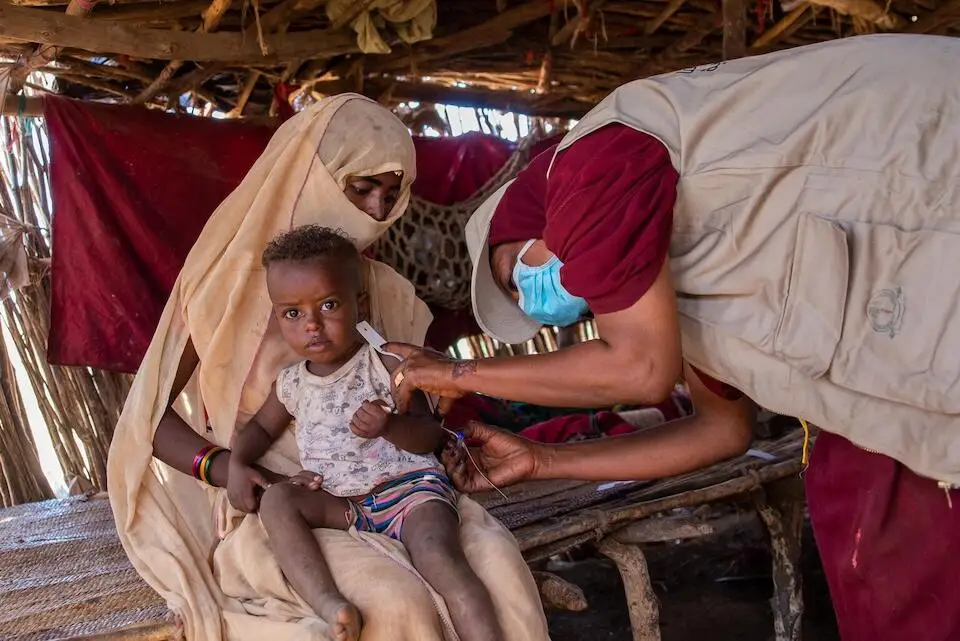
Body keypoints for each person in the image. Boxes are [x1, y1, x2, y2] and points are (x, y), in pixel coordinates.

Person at [385, 34, 960, 641]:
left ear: (524, 222)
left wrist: (451, 373)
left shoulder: (587, 163)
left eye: (513, 275)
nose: (535, 298)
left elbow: (641, 371)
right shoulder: (675, 287)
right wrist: (544, 459)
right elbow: (721, 428)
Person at [108, 94, 549, 641]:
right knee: (396, 602)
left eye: (391, 193)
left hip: (399, 481)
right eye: (360, 188)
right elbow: (147, 418)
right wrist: (230, 470)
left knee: (498, 571)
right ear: (310, 174)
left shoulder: (387, 291)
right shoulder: (222, 288)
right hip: (288, 502)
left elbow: (416, 408)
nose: (376, 210)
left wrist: (440, 440)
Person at [229, 225, 502, 641]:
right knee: (279, 500)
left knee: (440, 558)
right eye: (293, 313)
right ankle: (329, 604)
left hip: (411, 492)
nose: (312, 326)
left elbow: (431, 435)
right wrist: (237, 461)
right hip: (341, 502)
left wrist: (390, 425)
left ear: (359, 305)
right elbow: (261, 429)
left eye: (329, 305)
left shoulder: (388, 362)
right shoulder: (291, 383)